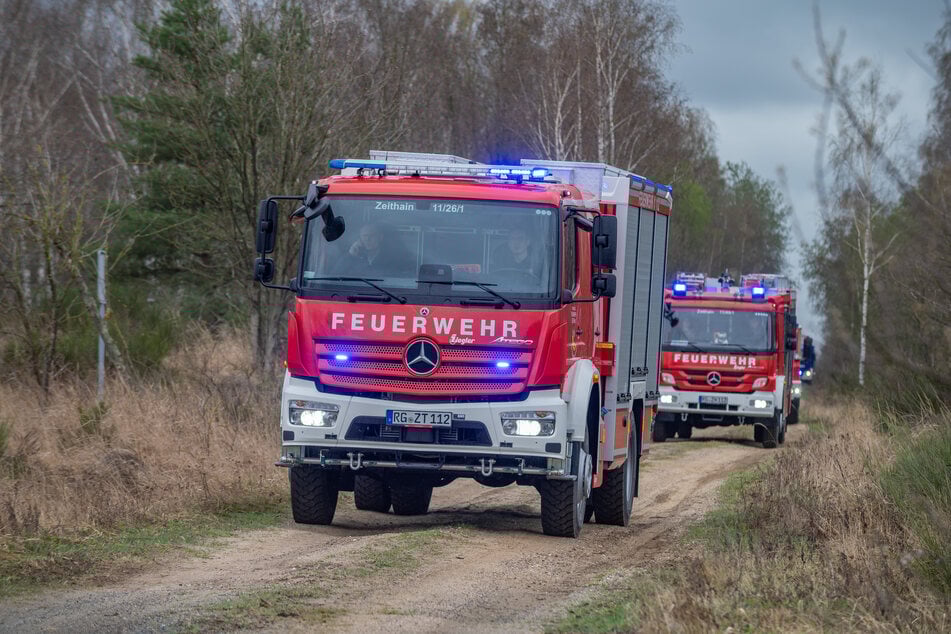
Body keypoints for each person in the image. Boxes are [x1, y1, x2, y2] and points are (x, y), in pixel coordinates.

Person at [341, 223, 415, 276]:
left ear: (380, 237)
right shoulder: (352, 256)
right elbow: (334, 276)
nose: (367, 239)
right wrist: (350, 255)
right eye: (364, 236)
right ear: (360, 239)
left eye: (371, 236)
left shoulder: (393, 259)